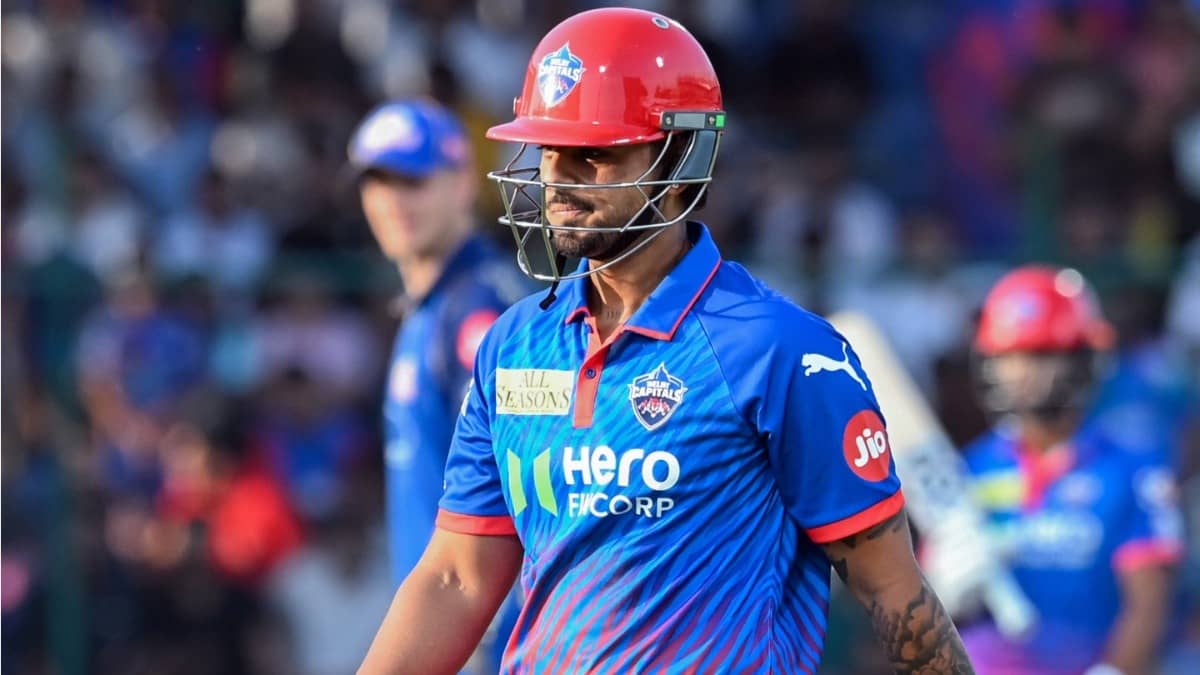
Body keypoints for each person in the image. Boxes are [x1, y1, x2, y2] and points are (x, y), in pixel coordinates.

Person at [359, 8, 972, 674]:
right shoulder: (513, 344)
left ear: (681, 158)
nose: (558, 179)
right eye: (549, 151)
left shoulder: (780, 351)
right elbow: (457, 577)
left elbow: (891, 589)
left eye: (594, 154)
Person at [924, 266, 1185, 675]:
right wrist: (941, 591)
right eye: (1008, 357)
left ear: (1083, 359)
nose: (1021, 372)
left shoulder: (1133, 473)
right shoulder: (971, 470)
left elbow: (1148, 604)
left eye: (1041, 355)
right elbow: (917, 609)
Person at [347, 99, 528, 671]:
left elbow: (523, 477)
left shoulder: (481, 308)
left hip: (483, 636)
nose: (392, 201)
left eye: (414, 181)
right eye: (377, 183)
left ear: (462, 183)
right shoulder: (433, 307)